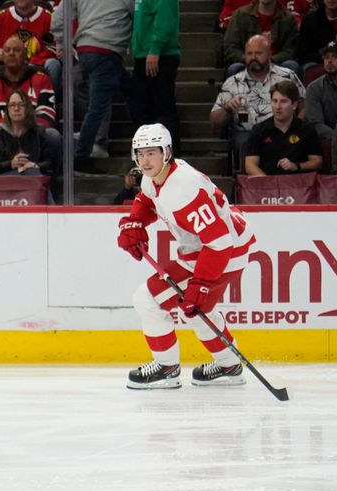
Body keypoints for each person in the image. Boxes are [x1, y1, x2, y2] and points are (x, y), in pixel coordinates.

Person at [117, 123, 256, 389]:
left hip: (224, 250)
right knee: (199, 310)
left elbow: (219, 243)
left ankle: (167, 368)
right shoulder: (154, 177)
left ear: (166, 152)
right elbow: (148, 200)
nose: (145, 161)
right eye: (140, 153)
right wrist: (134, 223)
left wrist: (201, 283)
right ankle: (229, 365)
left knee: (149, 299)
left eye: (151, 153)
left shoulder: (184, 189)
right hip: (208, 248)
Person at [51, 0, 133, 172]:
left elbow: (58, 18)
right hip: (107, 50)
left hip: (86, 49)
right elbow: (139, 16)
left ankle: (145, 131)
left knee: (133, 92)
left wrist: (61, 43)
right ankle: (82, 154)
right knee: (98, 107)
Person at [209, 34, 304, 167]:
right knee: (248, 143)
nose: (253, 57)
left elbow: (303, 106)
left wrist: (297, 128)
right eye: (249, 53)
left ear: (269, 54)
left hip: (284, 130)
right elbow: (214, 122)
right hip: (247, 133)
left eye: (258, 53)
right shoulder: (233, 83)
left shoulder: (287, 76)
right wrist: (227, 108)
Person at [0, 0, 60, 92]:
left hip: (35, 66)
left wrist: (34, 60)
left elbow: (56, 47)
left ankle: (51, 102)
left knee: (53, 64)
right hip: (5, 67)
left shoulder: (49, 18)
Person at [131, 0, 181, 155]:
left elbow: (164, 19)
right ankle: (148, 157)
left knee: (163, 110)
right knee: (141, 110)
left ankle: (170, 158)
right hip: (143, 55)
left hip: (160, 56)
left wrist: (155, 49)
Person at [244, 80, 322, 176]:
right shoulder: (259, 130)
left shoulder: (307, 129)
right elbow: (250, 165)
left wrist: (296, 166)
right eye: (274, 101)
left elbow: (317, 162)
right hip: (267, 184)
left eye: (283, 101)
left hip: (298, 185)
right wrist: (268, 182)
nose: (278, 107)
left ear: (294, 105)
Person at [0, 34, 56, 130]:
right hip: (2, 137)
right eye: (7, 50)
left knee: (53, 135)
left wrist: (23, 128)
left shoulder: (42, 80)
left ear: (25, 55)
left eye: (17, 50)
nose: (11, 53)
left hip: (34, 135)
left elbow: (47, 115)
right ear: (2, 55)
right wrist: (13, 128)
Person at [0, 88, 57, 177]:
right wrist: (11, 164)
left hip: (33, 177)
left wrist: (35, 166)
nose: (16, 108)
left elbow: (50, 162)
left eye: (21, 105)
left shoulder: (39, 132)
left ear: (27, 108)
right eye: (12, 105)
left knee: (32, 173)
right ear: (7, 110)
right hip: (4, 180)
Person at [222, 0, 299, 77]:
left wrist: (270, 60)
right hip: (246, 63)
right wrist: (251, 58)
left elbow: (290, 50)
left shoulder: (288, 19)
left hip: (277, 63)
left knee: (292, 65)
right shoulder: (240, 15)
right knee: (235, 68)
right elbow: (230, 46)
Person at [304, 40, 337, 142]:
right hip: (330, 142)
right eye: (326, 57)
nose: (329, 61)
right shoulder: (314, 89)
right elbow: (315, 123)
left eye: (335, 56)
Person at [297, 0, 337, 68]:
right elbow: (303, 55)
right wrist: (327, 58)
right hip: (320, 63)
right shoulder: (309, 20)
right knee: (310, 67)